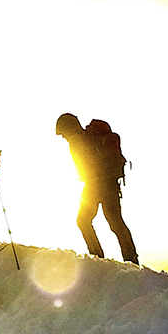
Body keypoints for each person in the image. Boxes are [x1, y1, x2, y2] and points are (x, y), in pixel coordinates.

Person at [56, 113, 139, 264]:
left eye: (64, 133)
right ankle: (130, 259)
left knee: (86, 221)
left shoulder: (81, 141)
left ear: (70, 129)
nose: (64, 137)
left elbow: (86, 166)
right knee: (114, 223)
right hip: (106, 184)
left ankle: (98, 258)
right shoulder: (84, 139)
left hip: (98, 185)